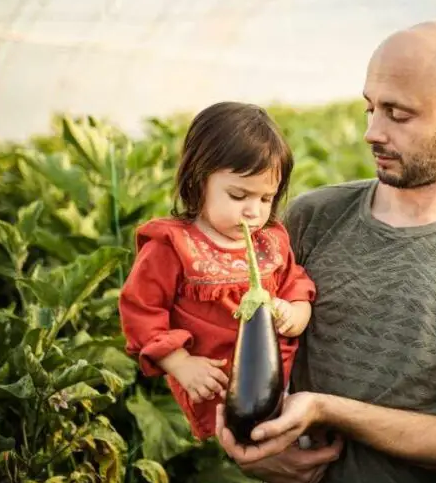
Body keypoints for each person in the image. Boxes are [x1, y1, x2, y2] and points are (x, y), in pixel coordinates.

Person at [214, 21, 436, 483]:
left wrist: (329, 409)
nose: (372, 132)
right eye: (371, 108)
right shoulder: (313, 217)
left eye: (398, 114)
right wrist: (244, 443)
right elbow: (240, 348)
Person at [118, 101, 317, 443]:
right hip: (214, 385)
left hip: (279, 380)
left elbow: (294, 283)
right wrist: (179, 363)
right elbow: (141, 309)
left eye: (267, 198)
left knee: (290, 441)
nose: (254, 211)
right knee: (252, 444)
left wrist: (297, 311)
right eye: (239, 195)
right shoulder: (172, 246)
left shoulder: (269, 241)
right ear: (198, 183)